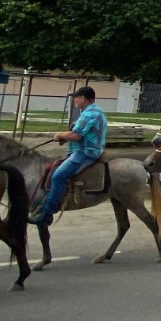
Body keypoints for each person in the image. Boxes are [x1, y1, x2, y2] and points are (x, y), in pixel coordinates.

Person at [29, 87, 109, 225]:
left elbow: (76, 135)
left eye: (75, 97)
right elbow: (80, 134)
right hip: (82, 150)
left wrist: (60, 135)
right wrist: (67, 138)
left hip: (85, 153)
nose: (74, 100)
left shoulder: (90, 114)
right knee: (54, 168)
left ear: (82, 98)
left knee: (58, 176)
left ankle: (48, 212)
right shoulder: (92, 111)